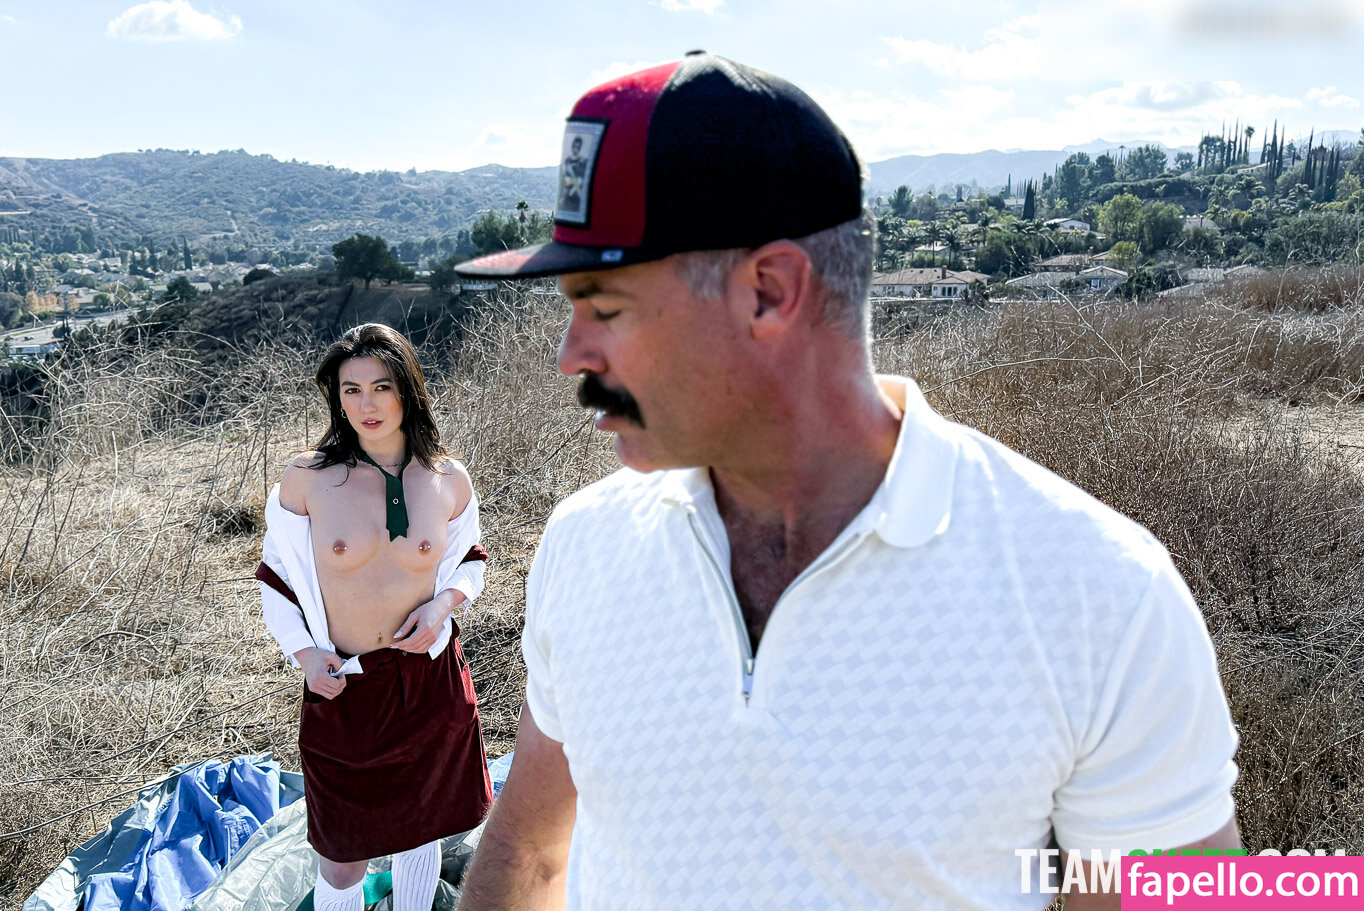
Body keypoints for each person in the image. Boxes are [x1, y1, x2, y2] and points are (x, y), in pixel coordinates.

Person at [451, 53, 1241, 910]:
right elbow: (531, 855)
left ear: (770, 292)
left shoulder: (1098, 591)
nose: (572, 355)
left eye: (605, 308)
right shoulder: (586, 544)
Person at [256, 323, 493, 911]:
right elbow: (276, 579)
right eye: (351, 390)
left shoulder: (448, 479)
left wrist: (442, 607)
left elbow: (469, 562)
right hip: (347, 687)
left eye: (382, 387)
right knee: (342, 855)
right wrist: (305, 655)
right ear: (335, 399)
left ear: (408, 389)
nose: (367, 405)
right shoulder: (308, 478)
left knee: (421, 831)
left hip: (429, 682)